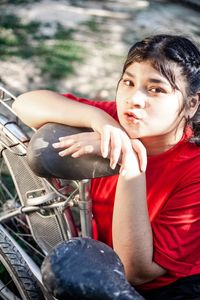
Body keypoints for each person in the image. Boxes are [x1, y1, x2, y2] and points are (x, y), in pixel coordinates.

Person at [13, 34, 200, 299]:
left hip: (166, 289)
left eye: (156, 89)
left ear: (191, 104)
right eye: (128, 82)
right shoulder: (119, 121)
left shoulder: (194, 170)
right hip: (102, 255)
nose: (134, 99)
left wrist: (130, 162)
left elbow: (136, 272)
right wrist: (99, 119)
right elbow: (25, 103)